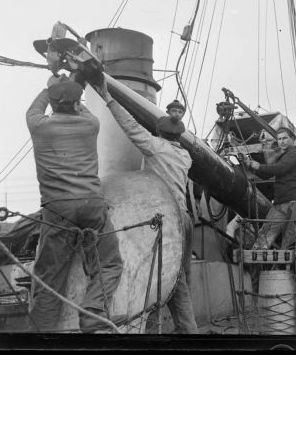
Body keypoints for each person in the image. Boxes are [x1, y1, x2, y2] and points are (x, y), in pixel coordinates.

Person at [97, 78, 198, 333]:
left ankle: (160, 332)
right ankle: (187, 330)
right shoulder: (185, 156)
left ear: (159, 133)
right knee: (179, 279)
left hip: (166, 220)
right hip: (184, 218)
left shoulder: (155, 147)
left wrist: (108, 99)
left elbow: (130, 126)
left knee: (157, 276)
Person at [26, 75, 123, 332]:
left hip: (57, 210)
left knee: (50, 277)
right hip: (92, 204)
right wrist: (73, 87)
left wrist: (50, 86)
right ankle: (93, 311)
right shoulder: (91, 124)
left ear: (54, 103)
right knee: (110, 262)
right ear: (77, 103)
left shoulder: (38, 125)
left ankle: (42, 335)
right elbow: (84, 107)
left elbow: (35, 107)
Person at [244, 127, 296, 249]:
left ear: (292, 139)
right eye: (279, 139)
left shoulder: (294, 153)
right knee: (264, 233)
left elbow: (280, 168)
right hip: (280, 203)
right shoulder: (285, 156)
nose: (282, 141)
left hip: (289, 203)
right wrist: (250, 166)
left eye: (285, 138)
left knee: (268, 235)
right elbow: (267, 174)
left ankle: (255, 262)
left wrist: (259, 166)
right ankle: (256, 260)